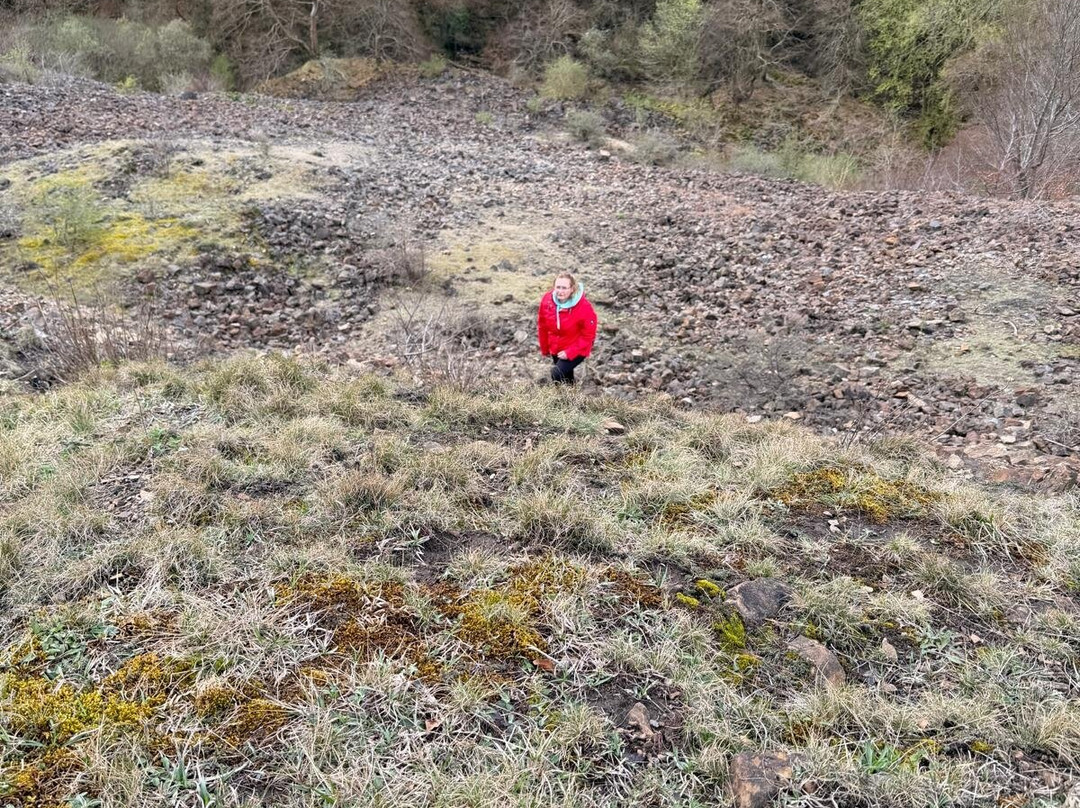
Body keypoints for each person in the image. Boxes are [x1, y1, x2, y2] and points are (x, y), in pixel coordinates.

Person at [537, 272, 597, 384]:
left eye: (564, 288)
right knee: (566, 378)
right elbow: (542, 326)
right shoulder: (547, 301)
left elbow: (588, 335)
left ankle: (561, 399)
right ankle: (570, 399)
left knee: (557, 373)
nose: (560, 291)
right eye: (558, 287)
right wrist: (545, 349)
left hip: (578, 348)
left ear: (572, 289)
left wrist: (570, 352)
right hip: (556, 347)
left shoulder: (584, 307)